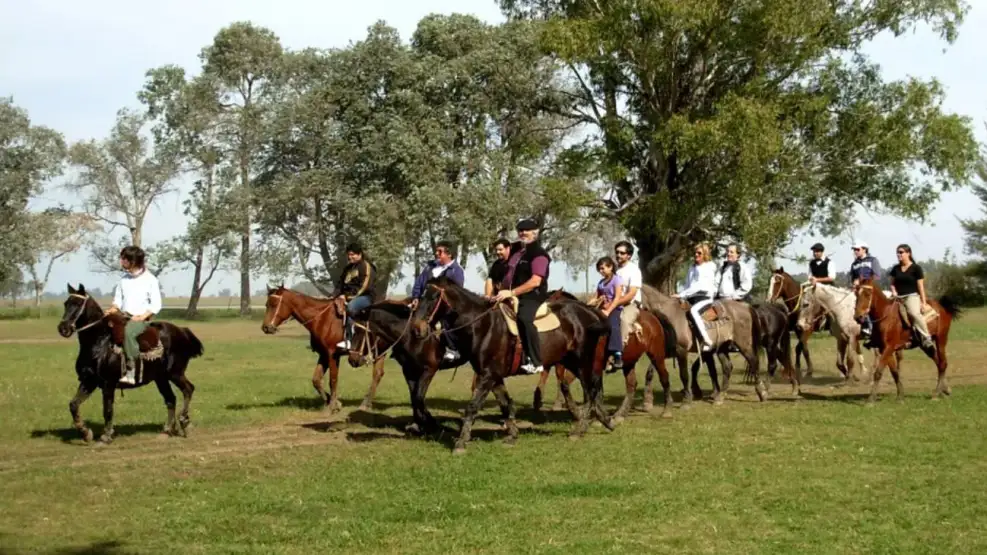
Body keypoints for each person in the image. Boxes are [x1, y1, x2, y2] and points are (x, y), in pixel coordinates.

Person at [494, 218, 551, 374]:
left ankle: (536, 360)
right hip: (510, 294)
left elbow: (535, 281)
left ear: (536, 232)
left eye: (527, 230)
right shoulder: (517, 251)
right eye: (521, 231)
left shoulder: (539, 254)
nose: (523, 233)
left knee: (524, 318)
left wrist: (511, 292)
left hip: (532, 296)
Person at [106, 246, 162, 385]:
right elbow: (118, 300)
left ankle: (131, 371)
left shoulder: (150, 279)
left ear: (134, 261)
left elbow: (156, 304)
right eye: (122, 257)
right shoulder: (123, 279)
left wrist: (142, 316)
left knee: (128, 333)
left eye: (124, 258)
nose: (121, 261)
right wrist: (112, 309)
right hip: (123, 316)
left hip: (140, 319)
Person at [409, 241, 466, 361]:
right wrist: (415, 297)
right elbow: (419, 282)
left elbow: (456, 293)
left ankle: (452, 349)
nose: (436, 254)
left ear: (449, 254)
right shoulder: (430, 266)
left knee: (447, 320)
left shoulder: (456, 271)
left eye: (440, 252)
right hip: (425, 302)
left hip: (444, 305)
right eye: (437, 251)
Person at [672, 243, 718, 352]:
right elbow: (688, 285)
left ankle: (707, 340)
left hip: (704, 297)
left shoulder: (708, 267)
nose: (696, 255)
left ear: (705, 254)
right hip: (691, 298)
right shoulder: (692, 268)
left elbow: (698, 286)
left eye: (699, 253)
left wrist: (681, 294)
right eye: (695, 253)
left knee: (693, 311)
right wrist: (681, 296)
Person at [889, 244, 935, 349]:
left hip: (911, 296)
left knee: (914, 313)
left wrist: (923, 303)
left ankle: (926, 337)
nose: (898, 254)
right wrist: (894, 292)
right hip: (898, 297)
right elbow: (892, 283)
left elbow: (921, 287)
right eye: (897, 252)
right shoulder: (895, 268)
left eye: (901, 252)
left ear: (908, 253)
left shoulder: (916, 268)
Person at [332, 244, 377, 350]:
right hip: (347, 296)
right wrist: (334, 296)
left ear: (359, 254)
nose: (350, 257)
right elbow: (340, 284)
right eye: (348, 255)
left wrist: (347, 297)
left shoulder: (366, 266)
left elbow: (364, 287)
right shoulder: (347, 268)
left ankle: (350, 339)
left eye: (352, 255)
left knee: (351, 307)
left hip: (365, 297)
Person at [587, 256, 625, 371]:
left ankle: (617, 354)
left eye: (603, 268)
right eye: (599, 269)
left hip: (615, 308)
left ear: (611, 267)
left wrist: (608, 311)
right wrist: (589, 304)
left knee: (613, 325)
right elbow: (596, 297)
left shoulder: (617, 280)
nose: (601, 271)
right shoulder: (601, 282)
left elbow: (618, 297)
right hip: (602, 308)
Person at [612, 240, 642, 356]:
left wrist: (615, 303)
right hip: (615, 303)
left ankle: (619, 352)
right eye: (617, 252)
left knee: (624, 320)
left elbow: (631, 294)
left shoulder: (633, 270)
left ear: (629, 255)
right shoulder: (615, 270)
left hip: (631, 304)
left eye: (622, 253)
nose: (618, 255)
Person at [849, 241, 882, 344]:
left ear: (864, 249)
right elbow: (853, 278)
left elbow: (877, 276)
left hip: (870, 290)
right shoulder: (854, 264)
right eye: (854, 249)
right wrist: (854, 283)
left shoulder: (873, 260)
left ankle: (871, 329)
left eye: (857, 249)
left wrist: (864, 281)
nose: (855, 251)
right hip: (858, 291)